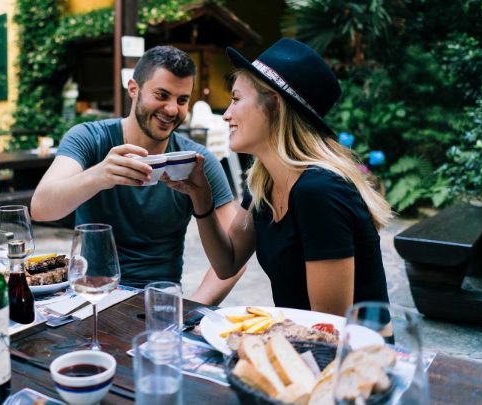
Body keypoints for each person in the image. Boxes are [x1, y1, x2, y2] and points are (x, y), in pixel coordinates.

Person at [164, 39, 393, 316]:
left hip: (353, 354)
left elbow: (327, 326)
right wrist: (200, 197)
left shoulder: (320, 191)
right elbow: (228, 263)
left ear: (274, 106)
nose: (226, 115)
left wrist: (248, 337)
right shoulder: (265, 180)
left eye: (236, 99)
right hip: (299, 343)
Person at [31, 46, 244, 305]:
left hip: (159, 299)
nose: (172, 109)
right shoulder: (89, 138)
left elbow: (236, 256)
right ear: (134, 89)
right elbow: (41, 208)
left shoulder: (196, 162)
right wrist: (99, 175)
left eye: (182, 100)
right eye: (162, 95)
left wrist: (192, 310)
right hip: (91, 296)